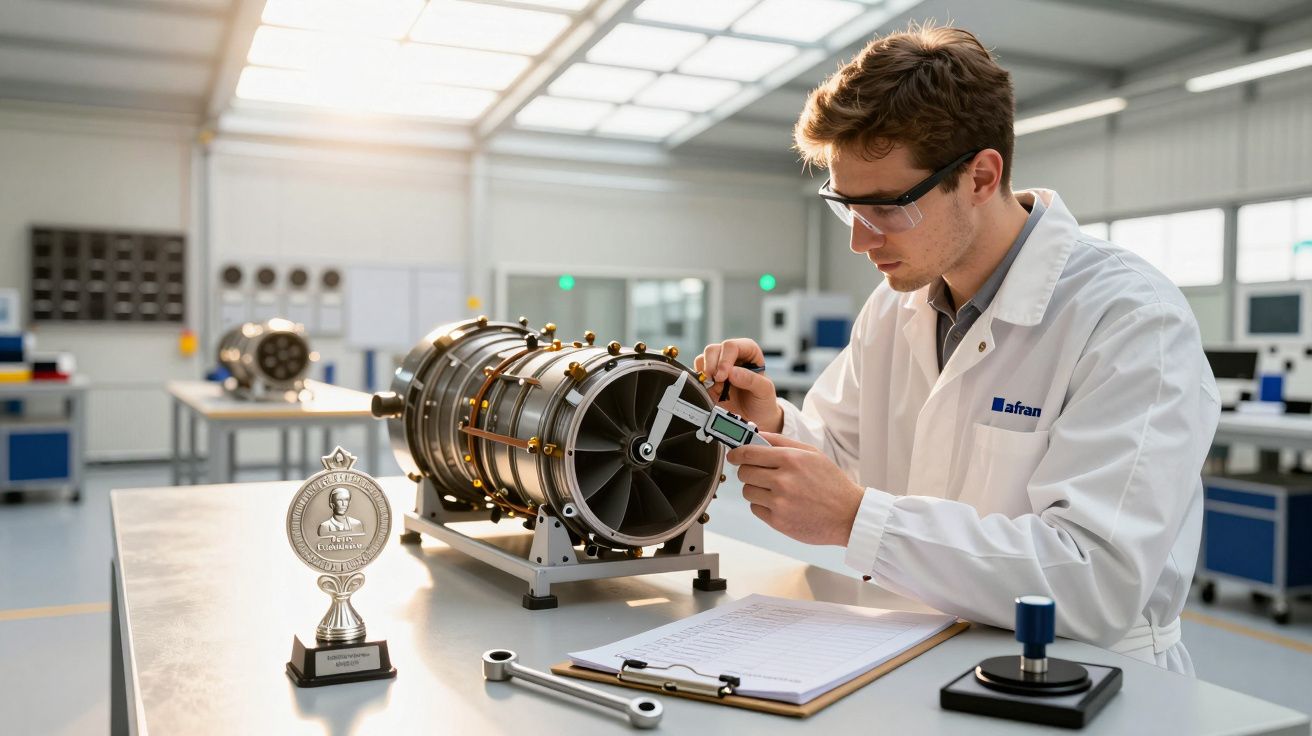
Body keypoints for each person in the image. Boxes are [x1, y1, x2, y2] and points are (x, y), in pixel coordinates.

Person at [695, 23, 1219, 674]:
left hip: (1085, 680)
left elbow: (1095, 581)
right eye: (845, 207)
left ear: (980, 176)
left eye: (886, 207)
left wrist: (860, 520)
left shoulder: (1129, 320)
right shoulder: (893, 308)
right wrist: (771, 420)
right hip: (913, 653)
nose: (861, 241)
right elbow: (837, 458)